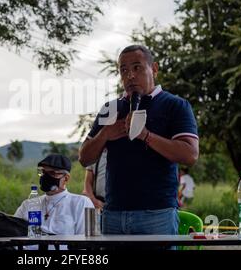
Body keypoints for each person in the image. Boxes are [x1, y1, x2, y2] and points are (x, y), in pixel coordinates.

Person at [79, 45, 199, 237]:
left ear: (155, 69)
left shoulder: (175, 105)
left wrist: (145, 135)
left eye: (137, 68)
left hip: (157, 215)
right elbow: (84, 158)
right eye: (124, 70)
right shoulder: (111, 109)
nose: (130, 76)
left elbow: (190, 155)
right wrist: (105, 134)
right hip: (113, 214)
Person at [14, 154, 94, 237]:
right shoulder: (27, 204)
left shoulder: (81, 203)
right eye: (42, 172)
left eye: (52, 173)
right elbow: (12, 231)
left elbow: (85, 240)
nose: (45, 177)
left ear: (66, 178)